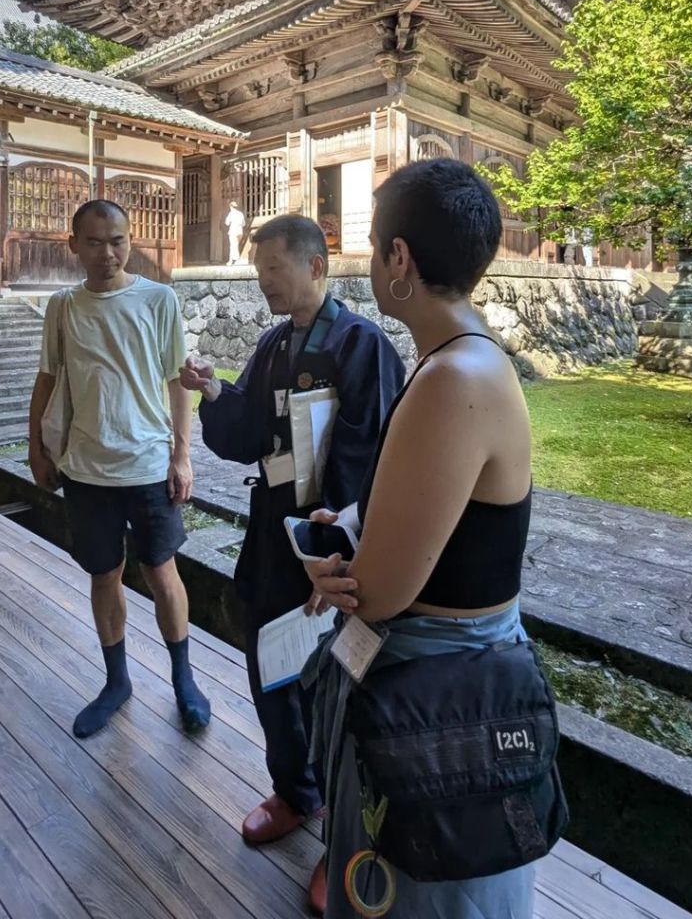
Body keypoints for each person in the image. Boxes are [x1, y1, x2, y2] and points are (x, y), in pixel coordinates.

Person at [304, 160, 546, 918]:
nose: (371, 261)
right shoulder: (466, 358)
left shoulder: (452, 381)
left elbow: (379, 593)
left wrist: (332, 573)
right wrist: (355, 525)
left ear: (399, 258)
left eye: (375, 246)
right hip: (456, 666)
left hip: (438, 692)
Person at [180, 214, 404, 914]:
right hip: (274, 536)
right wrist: (214, 393)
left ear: (314, 266)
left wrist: (332, 549)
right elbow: (249, 432)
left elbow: (371, 456)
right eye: (259, 271)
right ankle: (296, 791)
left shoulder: (361, 345)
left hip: (335, 548)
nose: (263, 282)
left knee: (338, 687)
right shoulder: (274, 344)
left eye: (273, 269)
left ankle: (346, 837)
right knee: (269, 662)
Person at [28, 199, 210, 740]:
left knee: (162, 571)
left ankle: (184, 679)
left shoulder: (158, 299)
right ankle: (117, 681)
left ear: (130, 241)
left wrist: (182, 455)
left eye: (118, 241)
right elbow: (47, 377)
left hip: (148, 463)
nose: (107, 253)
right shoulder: (63, 306)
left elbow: (177, 381)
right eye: (94, 242)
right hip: (85, 468)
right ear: (74, 245)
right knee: (103, 574)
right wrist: (36, 447)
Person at [225, 200, 246, 266]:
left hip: (233, 231)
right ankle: (235, 259)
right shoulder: (240, 214)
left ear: (230, 207)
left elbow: (227, 223)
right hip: (240, 231)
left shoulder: (231, 214)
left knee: (233, 246)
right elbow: (244, 224)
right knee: (235, 245)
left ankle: (232, 260)